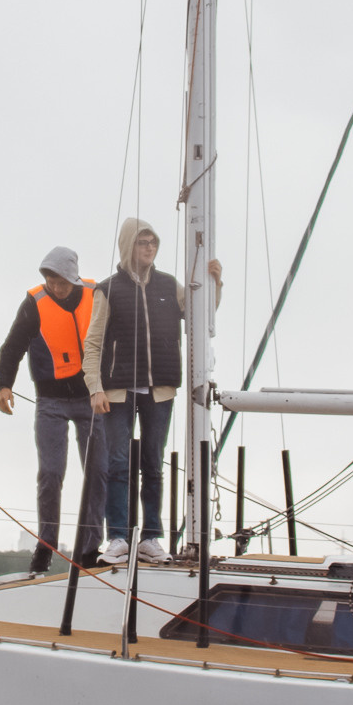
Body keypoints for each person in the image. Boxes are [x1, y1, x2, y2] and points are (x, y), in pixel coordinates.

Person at [85, 217, 221, 560]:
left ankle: (150, 538)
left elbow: (199, 319)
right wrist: (94, 387)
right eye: (143, 242)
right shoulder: (107, 288)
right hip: (117, 390)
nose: (149, 248)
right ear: (129, 245)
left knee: (153, 465)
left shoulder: (167, 284)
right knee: (117, 463)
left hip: (160, 389)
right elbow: (94, 343)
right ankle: (117, 537)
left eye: (153, 242)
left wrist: (216, 285)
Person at [0, 247, 109, 573]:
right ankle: (45, 547)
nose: (54, 287)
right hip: (51, 402)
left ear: (73, 278)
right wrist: (4, 386)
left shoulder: (96, 294)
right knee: (50, 474)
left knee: (98, 473)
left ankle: (89, 549)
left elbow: (115, 337)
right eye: (49, 280)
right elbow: (12, 346)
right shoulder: (34, 303)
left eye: (60, 281)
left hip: (91, 397)